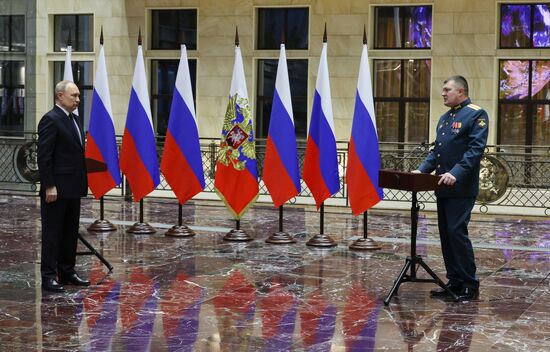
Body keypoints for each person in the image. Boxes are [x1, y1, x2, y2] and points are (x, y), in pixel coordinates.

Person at [414, 75, 488, 301]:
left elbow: (475, 150)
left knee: (457, 233)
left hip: (461, 187)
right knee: (446, 235)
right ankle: (454, 281)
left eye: (447, 89)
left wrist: (455, 173)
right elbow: (436, 152)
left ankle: (469, 284)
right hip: (441, 186)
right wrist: (420, 172)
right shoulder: (445, 118)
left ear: (461, 91)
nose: (443, 93)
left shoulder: (476, 114)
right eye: (443, 89)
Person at [37, 80, 89, 292]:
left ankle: (67, 271)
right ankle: (49, 277)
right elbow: (44, 156)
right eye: (73, 96)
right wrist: (49, 185)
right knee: (52, 234)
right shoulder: (51, 119)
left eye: (78, 96)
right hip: (56, 189)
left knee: (70, 232)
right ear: (59, 96)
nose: (78, 99)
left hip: (73, 187)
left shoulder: (73, 119)